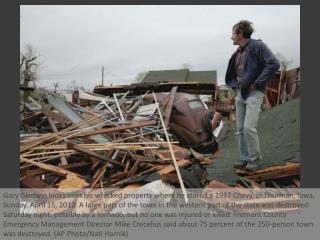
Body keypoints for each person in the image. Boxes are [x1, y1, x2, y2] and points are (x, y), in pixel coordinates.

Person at [225, 20, 280, 171]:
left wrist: (257, 83)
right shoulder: (236, 54)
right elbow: (232, 75)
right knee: (240, 128)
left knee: (249, 127)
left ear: (240, 34)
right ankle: (245, 157)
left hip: (254, 93)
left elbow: (274, 64)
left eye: (233, 34)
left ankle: (254, 159)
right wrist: (235, 87)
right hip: (240, 94)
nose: (231, 37)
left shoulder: (258, 46)